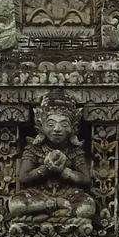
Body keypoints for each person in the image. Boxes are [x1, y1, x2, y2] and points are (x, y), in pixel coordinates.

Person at [9, 91, 95, 222]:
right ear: (40, 125)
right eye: (50, 124)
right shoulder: (33, 149)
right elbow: (24, 178)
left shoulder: (74, 151)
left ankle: (46, 215)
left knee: (88, 207)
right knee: (16, 205)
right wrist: (45, 168)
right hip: (38, 195)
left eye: (64, 124)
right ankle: (59, 209)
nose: (57, 129)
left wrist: (63, 171)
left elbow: (85, 179)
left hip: (69, 195)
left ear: (74, 127)